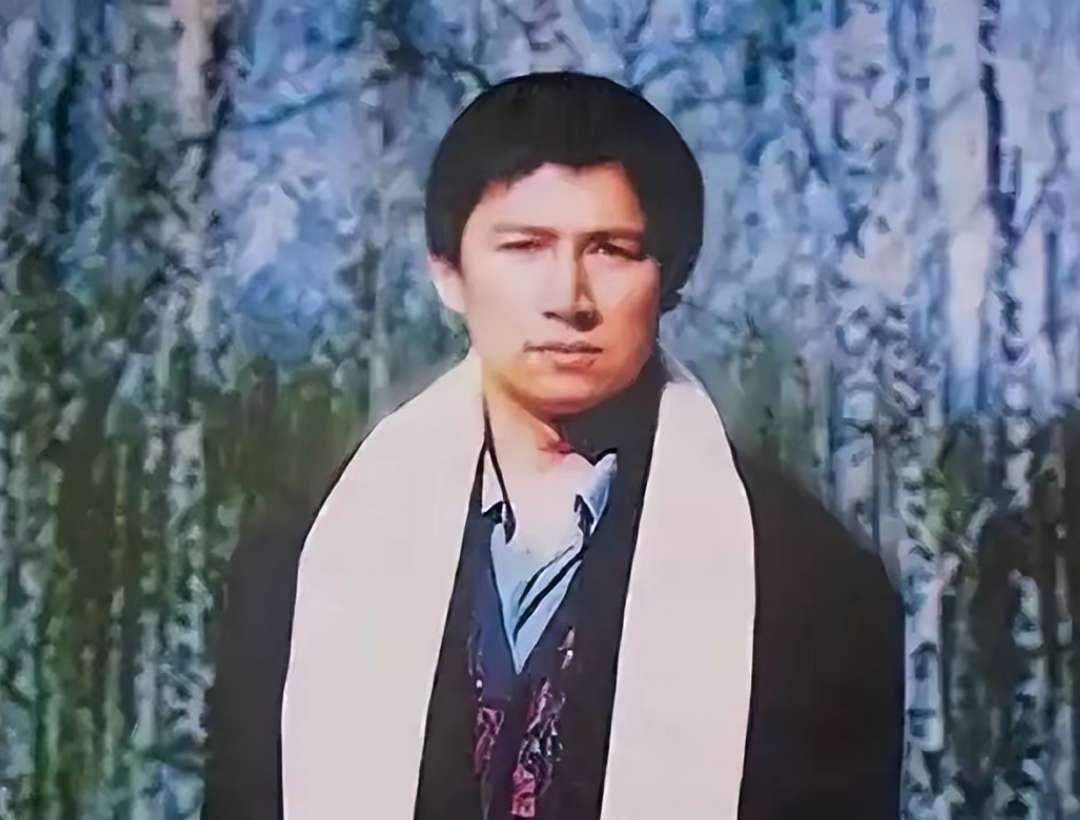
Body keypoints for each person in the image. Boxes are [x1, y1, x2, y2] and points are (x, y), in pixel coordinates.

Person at [202, 72, 903, 820]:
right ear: (448, 273)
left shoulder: (806, 582)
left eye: (611, 250)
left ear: (671, 279)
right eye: (525, 247)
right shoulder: (311, 561)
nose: (568, 298)